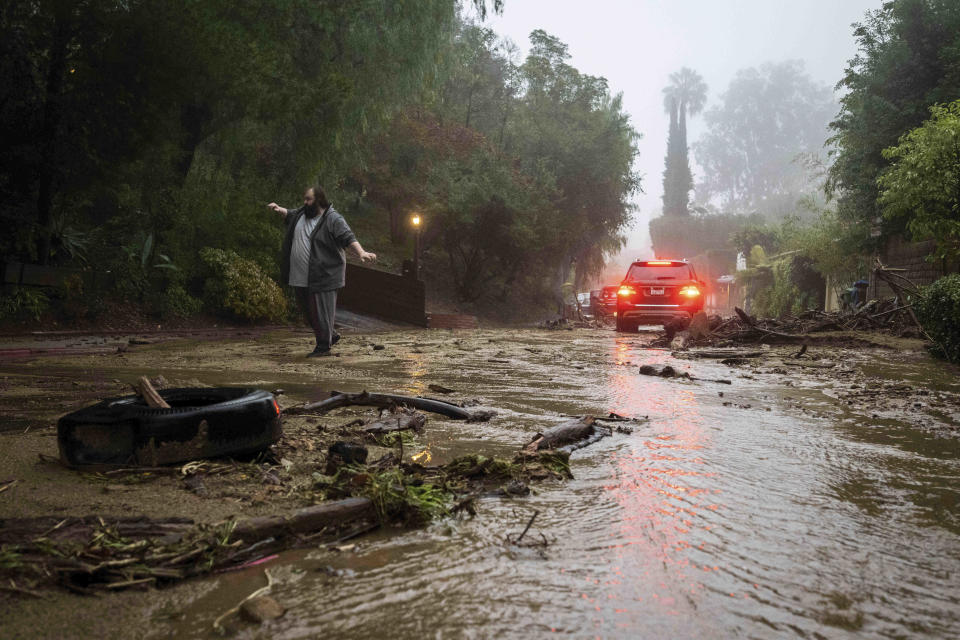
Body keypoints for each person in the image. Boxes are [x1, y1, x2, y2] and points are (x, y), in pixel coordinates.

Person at [267, 186, 376, 357]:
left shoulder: (333, 219)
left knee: (320, 311)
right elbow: (290, 213)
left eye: (309, 199)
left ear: (319, 200)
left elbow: (348, 237)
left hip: (324, 275)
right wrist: (279, 209)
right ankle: (330, 335)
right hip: (300, 275)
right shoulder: (302, 213)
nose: (305, 202)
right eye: (305, 199)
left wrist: (361, 252)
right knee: (308, 312)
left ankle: (323, 347)